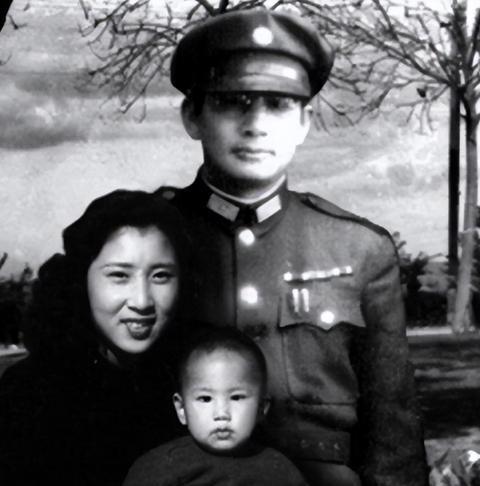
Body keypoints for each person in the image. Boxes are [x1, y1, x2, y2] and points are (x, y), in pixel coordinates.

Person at [158, 8, 428, 486]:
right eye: (232, 102)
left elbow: (393, 440)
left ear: (304, 122)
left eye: (278, 105)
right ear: (192, 116)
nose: (256, 125)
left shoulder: (359, 249)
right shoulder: (147, 238)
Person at [0, 190, 193, 486]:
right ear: (81, 280)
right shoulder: (31, 392)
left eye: (161, 275)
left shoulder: (197, 382)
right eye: (119, 275)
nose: (142, 301)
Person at [123, 327, 308, 486]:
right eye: (205, 399)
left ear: (261, 408)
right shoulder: (159, 466)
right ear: (181, 409)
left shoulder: (280, 470)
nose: (221, 413)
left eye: (236, 397)